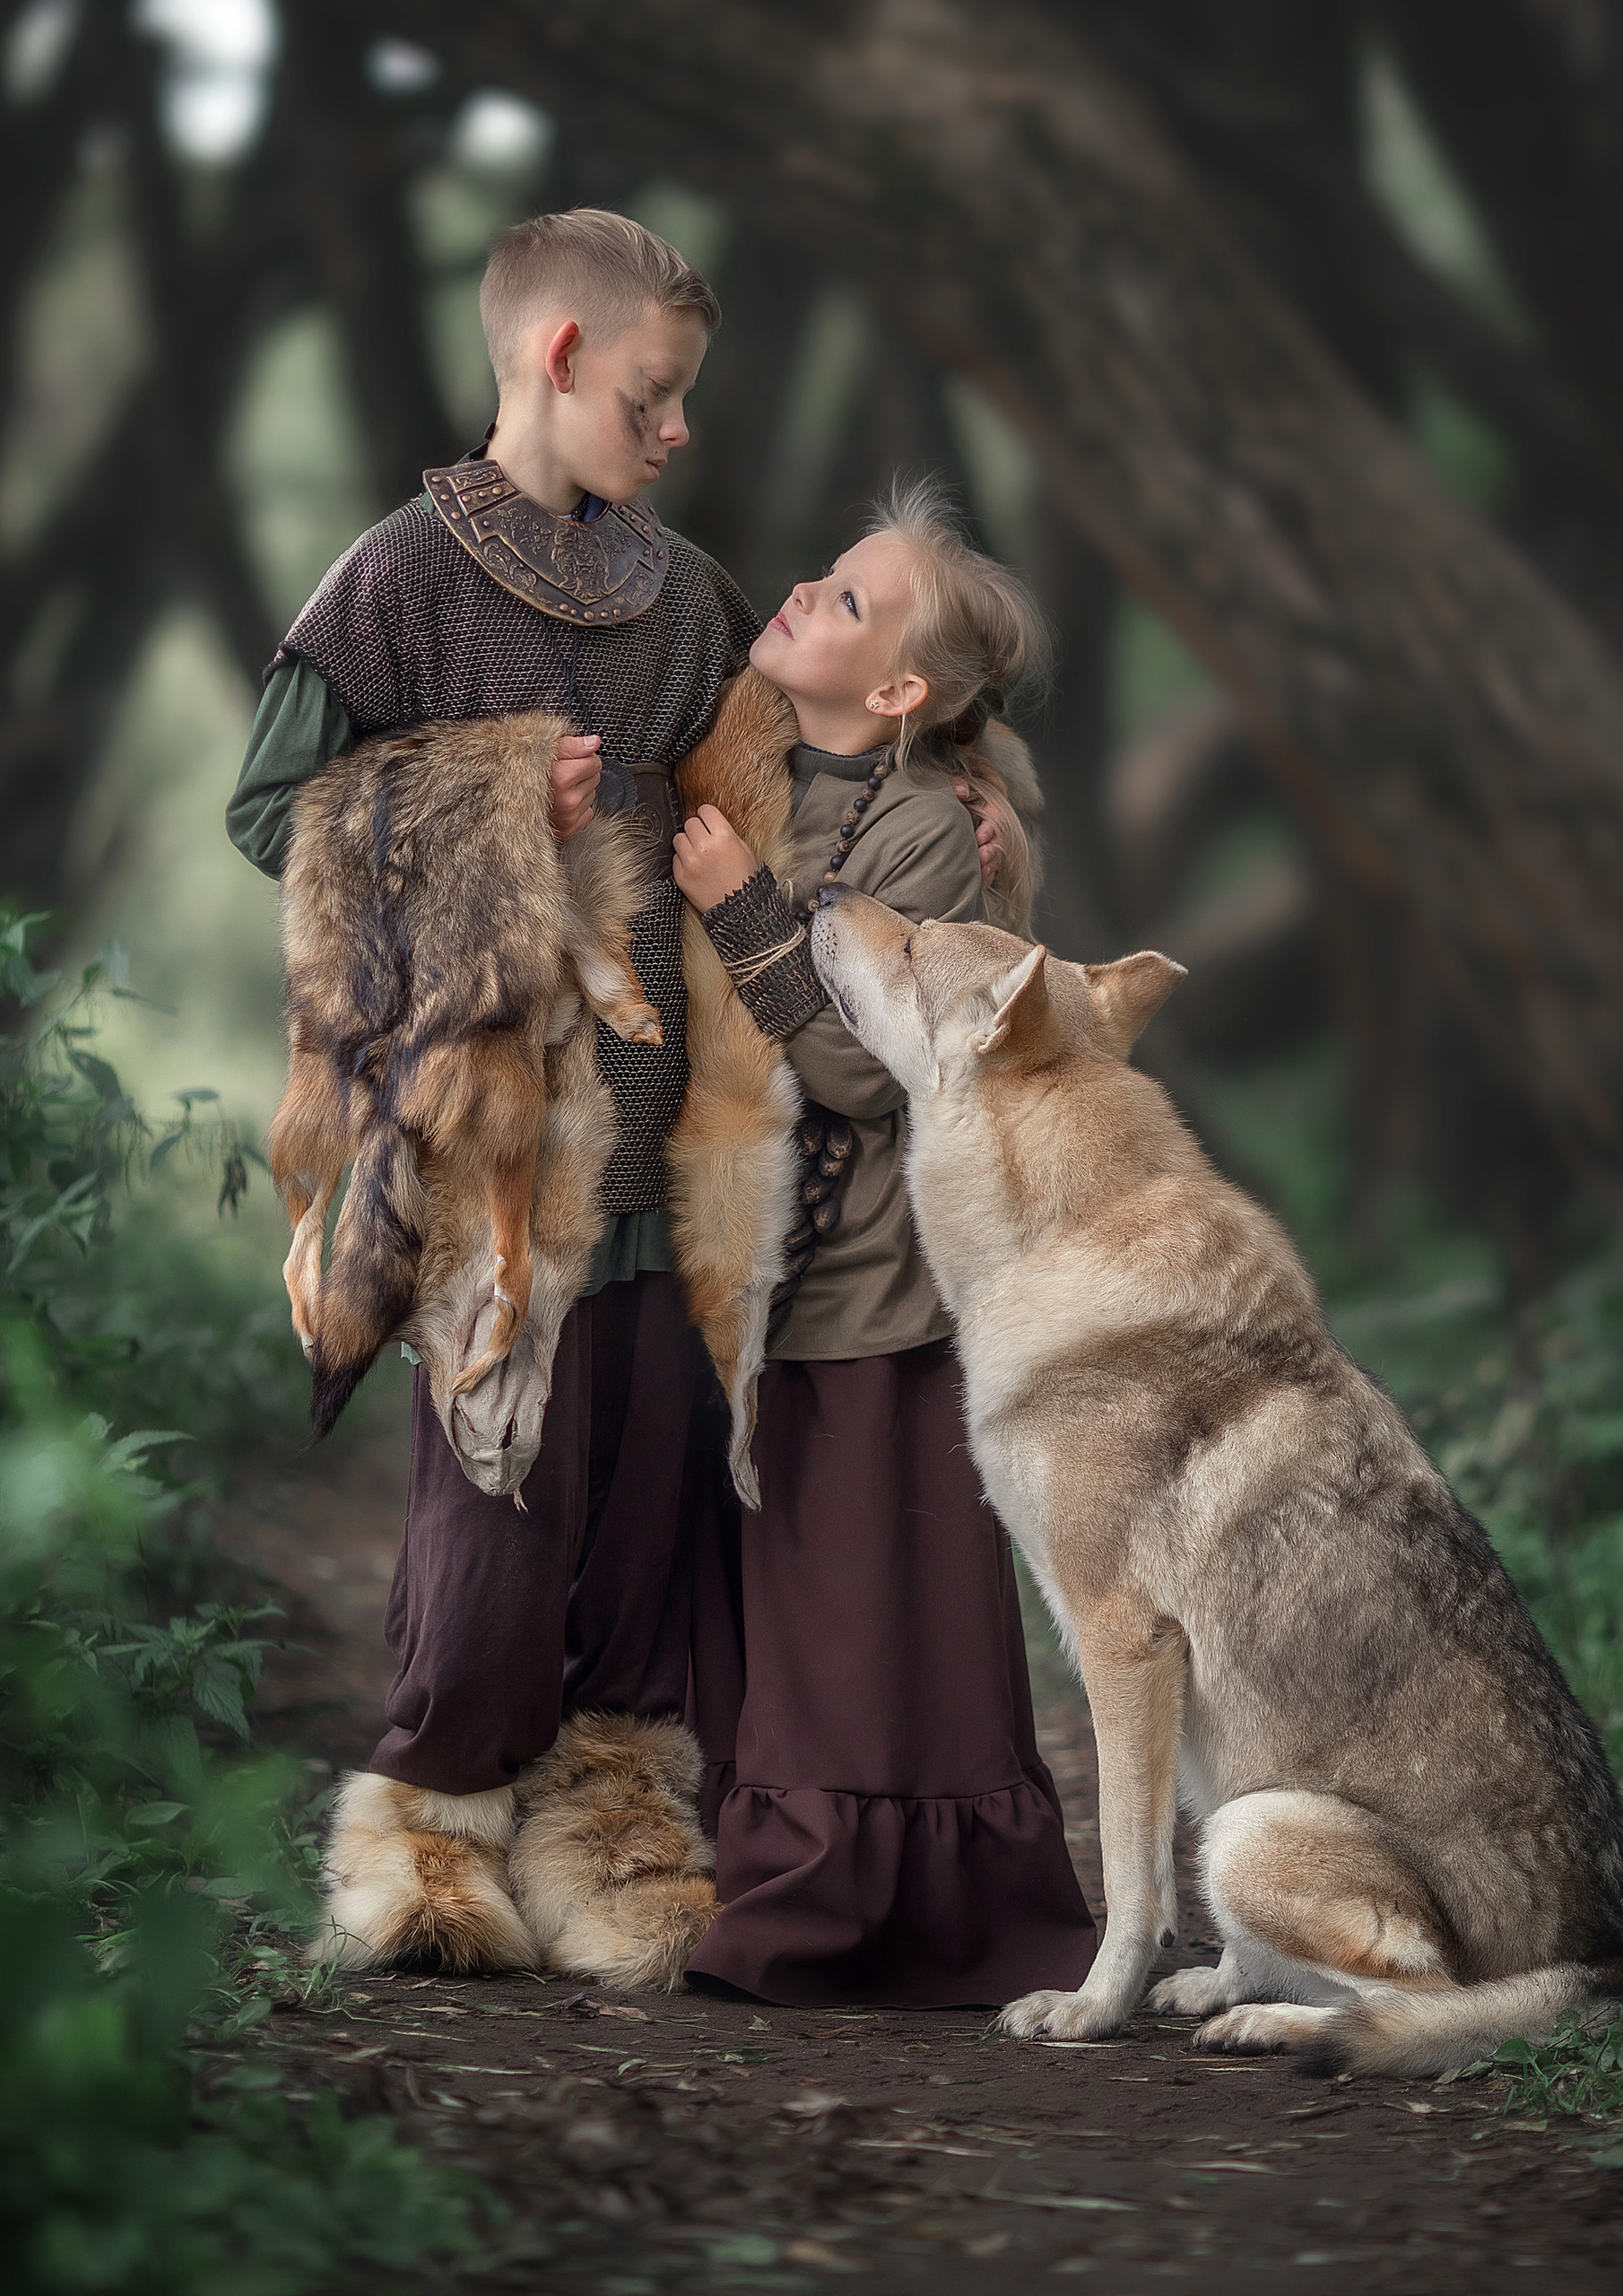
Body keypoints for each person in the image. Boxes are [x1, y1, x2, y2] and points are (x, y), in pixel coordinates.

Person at [226, 209, 757, 1984]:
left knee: (651, 1501)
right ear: (556, 360)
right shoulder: (390, 581)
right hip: (481, 1139)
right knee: (493, 1517)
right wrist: (486, 800)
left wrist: (957, 796)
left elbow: (786, 789)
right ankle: (430, 1836)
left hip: (670, 1130)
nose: (676, 428)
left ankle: (616, 1837)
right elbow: (266, 818)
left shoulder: (689, 599)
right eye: (654, 393)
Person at [670, 481, 1098, 2007]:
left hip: (879, 1277)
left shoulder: (928, 831)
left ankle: (861, 1903)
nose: (806, 595)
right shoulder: (745, 767)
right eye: (826, 576)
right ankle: (782, 1870)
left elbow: (879, 1064)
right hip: (748, 1276)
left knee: (870, 1596)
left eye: (850, 602)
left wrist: (741, 919)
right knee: (785, 1596)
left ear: (903, 690)